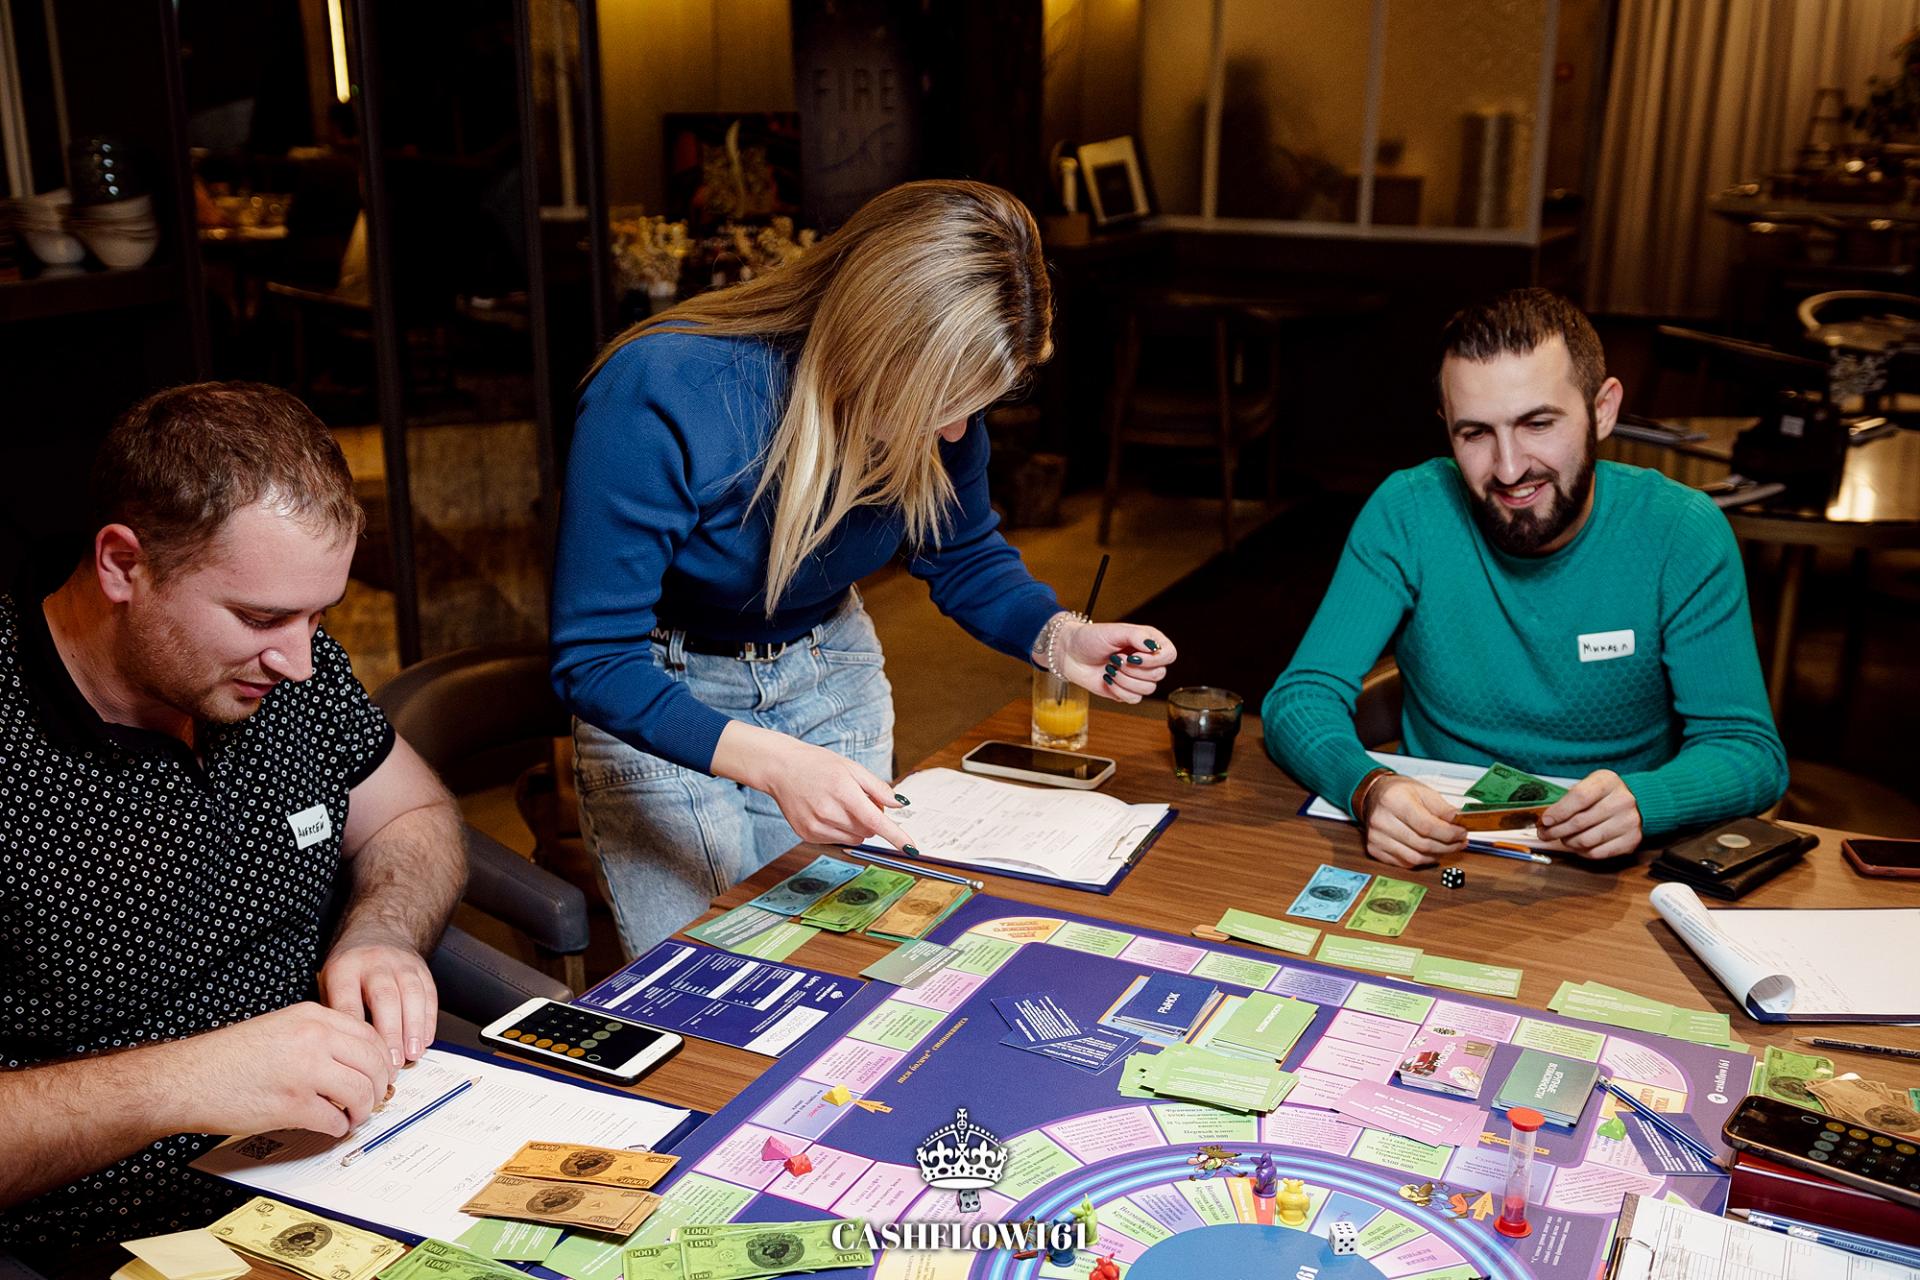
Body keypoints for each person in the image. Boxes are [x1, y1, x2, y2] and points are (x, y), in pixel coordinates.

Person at [551, 180, 1177, 956]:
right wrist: (776, 764)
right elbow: (594, 659)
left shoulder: (944, 414)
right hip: (662, 687)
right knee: (706, 976)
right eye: (945, 401)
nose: (957, 433)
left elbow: (962, 551)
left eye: (974, 406)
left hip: (829, 671)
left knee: (837, 960)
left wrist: (1057, 636)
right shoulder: (663, 389)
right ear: (875, 341)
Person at [0, 383, 468, 1250]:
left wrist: (383, 933)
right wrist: (181, 1082)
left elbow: (413, 813)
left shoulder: (284, 669)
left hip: (351, 1165)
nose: (300, 660)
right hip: (108, 1238)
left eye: (318, 615)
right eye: (261, 617)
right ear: (122, 565)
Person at [1263, 288, 1787, 868]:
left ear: (1603, 410)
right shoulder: (1409, 511)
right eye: (1475, 433)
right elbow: (1299, 699)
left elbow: (1750, 752)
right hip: (1441, 855)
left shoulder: (1680, 532)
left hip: (1614, 868)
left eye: (1537, 424)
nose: (1510, 468)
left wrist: (1647, 800)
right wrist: (1368, 788)